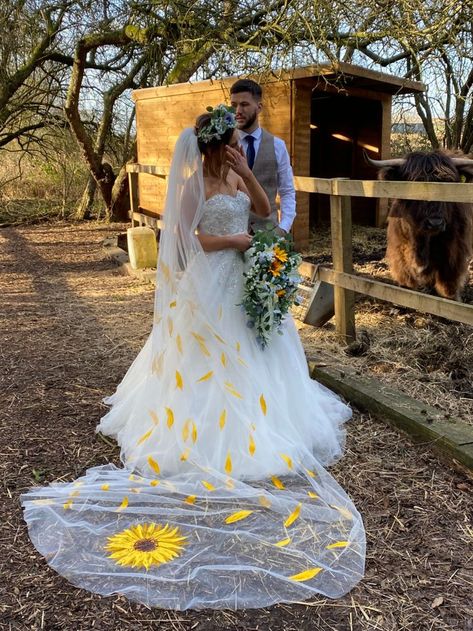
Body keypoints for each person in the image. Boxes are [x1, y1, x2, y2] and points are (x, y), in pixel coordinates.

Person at [22, 105, 365, 611]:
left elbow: (266, 213)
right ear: (207, 143)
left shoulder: (233, 170)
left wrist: (247, 174)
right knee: (210, 356)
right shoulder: (191, 184)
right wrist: (234, 239)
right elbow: (186, 240)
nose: (230, 148)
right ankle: (210, 425)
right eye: (224, 143)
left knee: (255, 351)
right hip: (211, 281)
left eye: (234, 142)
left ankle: (263, 414)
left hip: (243, 276)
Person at [230, 79, 296, 235]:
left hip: (269, 235)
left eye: (244, 104)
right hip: (232, 236)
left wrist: (284, 228)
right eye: (234, 105)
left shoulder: (277, 145)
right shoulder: (223, 147)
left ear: (259, 107)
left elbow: (287, 191)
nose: (238, 111)